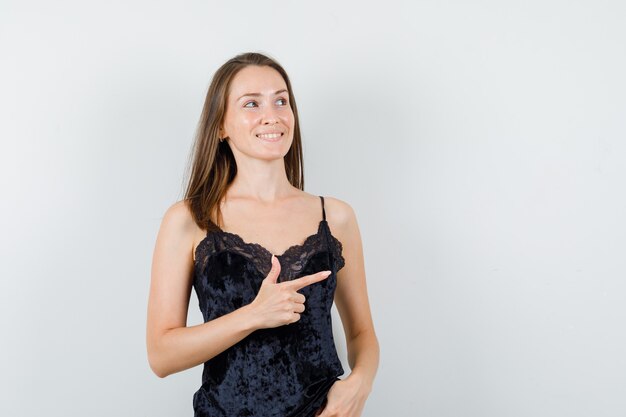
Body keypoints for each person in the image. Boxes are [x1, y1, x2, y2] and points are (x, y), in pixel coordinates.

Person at [146, 52, 379, 417]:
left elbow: (362, 334)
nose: (272, 115)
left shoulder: (336, 217)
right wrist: (254, 315)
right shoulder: (189, 219)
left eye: (281, 100)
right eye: (251, 103)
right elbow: (161, 355)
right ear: (220, 126)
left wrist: (359, 384)